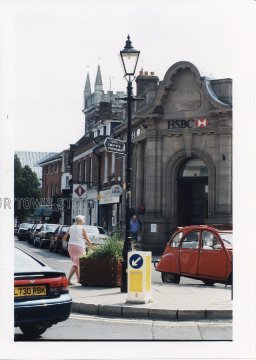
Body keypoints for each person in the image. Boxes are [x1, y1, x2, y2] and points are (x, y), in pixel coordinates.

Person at [63, 215, 92, 285]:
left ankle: (79, 279)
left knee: (75, 263)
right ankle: (68, 280)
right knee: (76, 264)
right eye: (83, 220)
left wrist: (72, 241)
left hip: (70, 246)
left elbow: (64, 238)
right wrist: (91, 245)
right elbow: (87, 239)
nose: (84, 221)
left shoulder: (70, 227)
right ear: (80, 221)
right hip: (79, 246)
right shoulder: (82, 228)